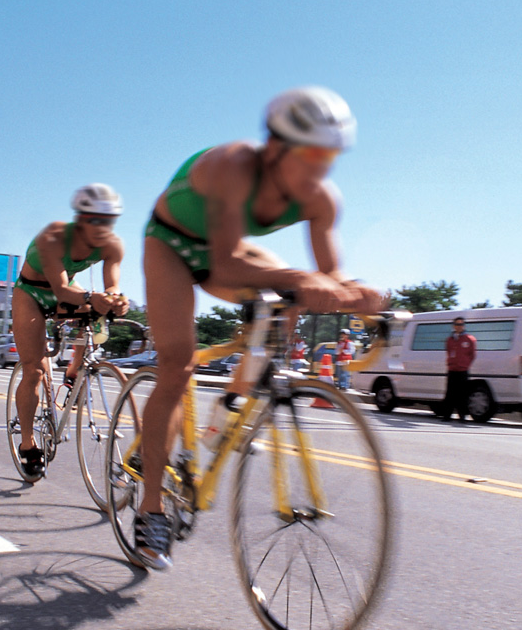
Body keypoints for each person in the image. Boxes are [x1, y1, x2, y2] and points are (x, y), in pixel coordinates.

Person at [135, 86, 386, 570]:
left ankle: (232, 404)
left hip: (223, 250)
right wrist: (300, 279)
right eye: (312, 153)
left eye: (332, 156)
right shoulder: (231, 166)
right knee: (176, 365)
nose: (322, 167)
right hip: (173, 245)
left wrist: (364, 297)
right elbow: (226, 268)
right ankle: (150, 508)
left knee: (291, 296)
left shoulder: (322, 200)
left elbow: (328, 278)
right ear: (274, 146)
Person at [11, 184, 130, 480]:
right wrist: (92, 298)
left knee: (95, 312)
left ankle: (75, 371)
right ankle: (28, 444)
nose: (103, 228)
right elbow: (61, 288)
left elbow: (111, 283)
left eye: (109, 221)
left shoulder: (113, 245)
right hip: (33, 292)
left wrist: (116, 298)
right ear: (80, 218)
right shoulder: (53, 236)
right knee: (34, 371)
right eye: (96, 221)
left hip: (66, 290)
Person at [440, 317, 477, 421]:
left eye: (461, 324)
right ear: (453, 326)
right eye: (457, 324)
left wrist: (465, 364)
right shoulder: (450, 339)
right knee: (450, 393)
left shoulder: (469, 339)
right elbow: (448, 351)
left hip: (463, 371)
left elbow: (472, 355)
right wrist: (451, 362)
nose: (459, 326)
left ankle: (462, 416)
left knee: (462, 393)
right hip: (452, 369)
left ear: (464, 326)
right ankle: (447, 415)